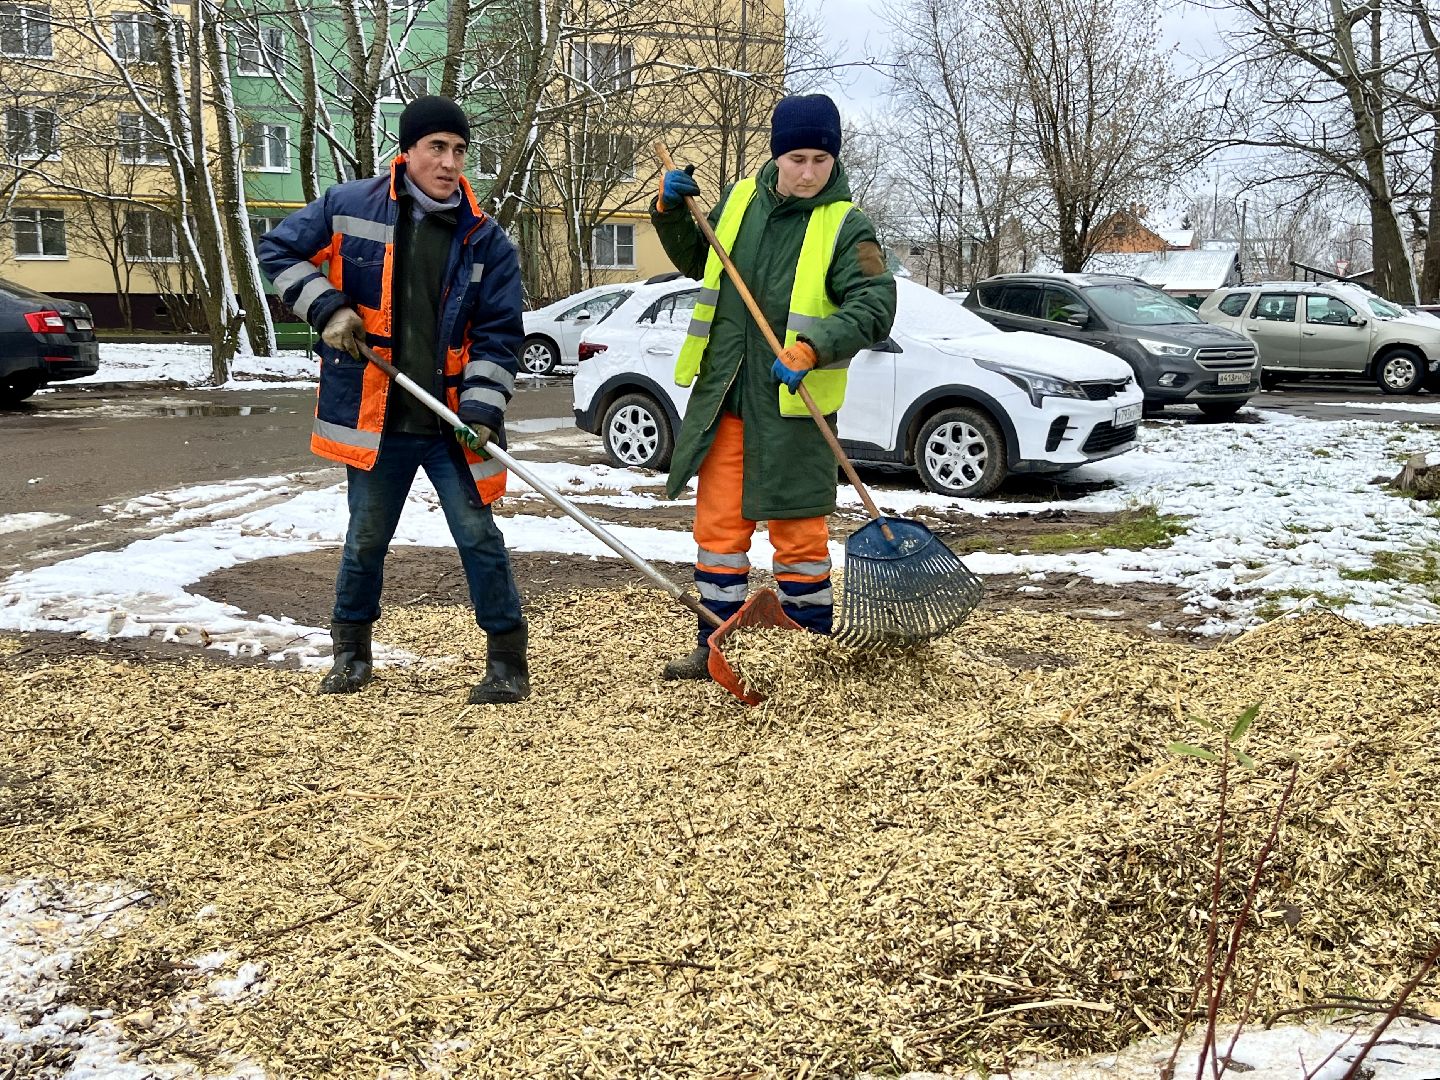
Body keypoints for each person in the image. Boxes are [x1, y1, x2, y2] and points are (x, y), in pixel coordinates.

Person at [258, 96, 530, 704]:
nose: (450, 162)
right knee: (365, 539)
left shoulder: (486, 240)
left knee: (479, 537)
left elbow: (498, 336)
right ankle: (351, 654)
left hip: (453, 422)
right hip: (377, 419)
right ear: (406, 152)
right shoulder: (348, 206)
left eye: (459, 150)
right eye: (437, 147)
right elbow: (276, 250)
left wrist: (483, 410)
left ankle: (507, 660)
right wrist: (328, 308)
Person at [650, 93, 897, 680]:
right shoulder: (740, 202)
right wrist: (669, 210)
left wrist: (814, 347)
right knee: (718, 531)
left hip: (794, 410)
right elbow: (700, 260)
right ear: (776, 155)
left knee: (800, 534)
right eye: (796, 159)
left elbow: (876, 303)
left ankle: (810, 650)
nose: (808, 173)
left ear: (834, 159)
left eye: (820, 160)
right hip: (727, 396)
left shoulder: (847, 226)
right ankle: (716, 643)